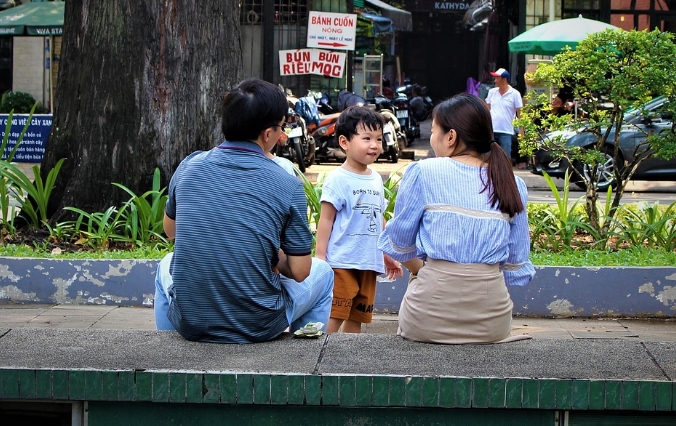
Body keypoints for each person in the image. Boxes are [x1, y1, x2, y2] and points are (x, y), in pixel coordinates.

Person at [153, 78, 334, 343]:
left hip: (191, 322)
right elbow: (301, 271)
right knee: (324, 273)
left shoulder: (189, 166)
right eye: (281, 128)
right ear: (268, 133)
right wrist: (274, 257)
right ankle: (302, 357)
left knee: (164, 265)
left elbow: (171, 232)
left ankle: (169, 350)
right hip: (258, 324)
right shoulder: (287, 183)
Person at [377, 93, 535, 344]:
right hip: (492, 321)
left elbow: (399, 242)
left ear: (451, 137)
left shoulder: (423, 172)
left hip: (427, 317)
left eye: (433, 131)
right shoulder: (512, 182)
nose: (431, 138)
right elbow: (516, 263)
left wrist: (427, 271)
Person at [315, 106, 403, 333]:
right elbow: (326, 220)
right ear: (344, 142)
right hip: (342, 261)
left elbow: (377, 217)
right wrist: (321, 257)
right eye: (366, 138)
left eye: (378, 139)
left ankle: (345, 361)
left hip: (368, 262)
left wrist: (386, 253)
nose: (375, 145)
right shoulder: (338, 179)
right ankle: (321, 356)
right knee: (336, 314)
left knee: (357, 316)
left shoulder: (375, 179)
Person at [485, 68, 525, 168]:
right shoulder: (492, 92)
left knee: (505, 158)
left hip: (506, 131)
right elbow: (487, 109)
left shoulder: (515, 94)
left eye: (497, 78)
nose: (495, 81)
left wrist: (522, 132)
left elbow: (520, 114)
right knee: (488, 157)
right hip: (492, 130)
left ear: (504, 79)